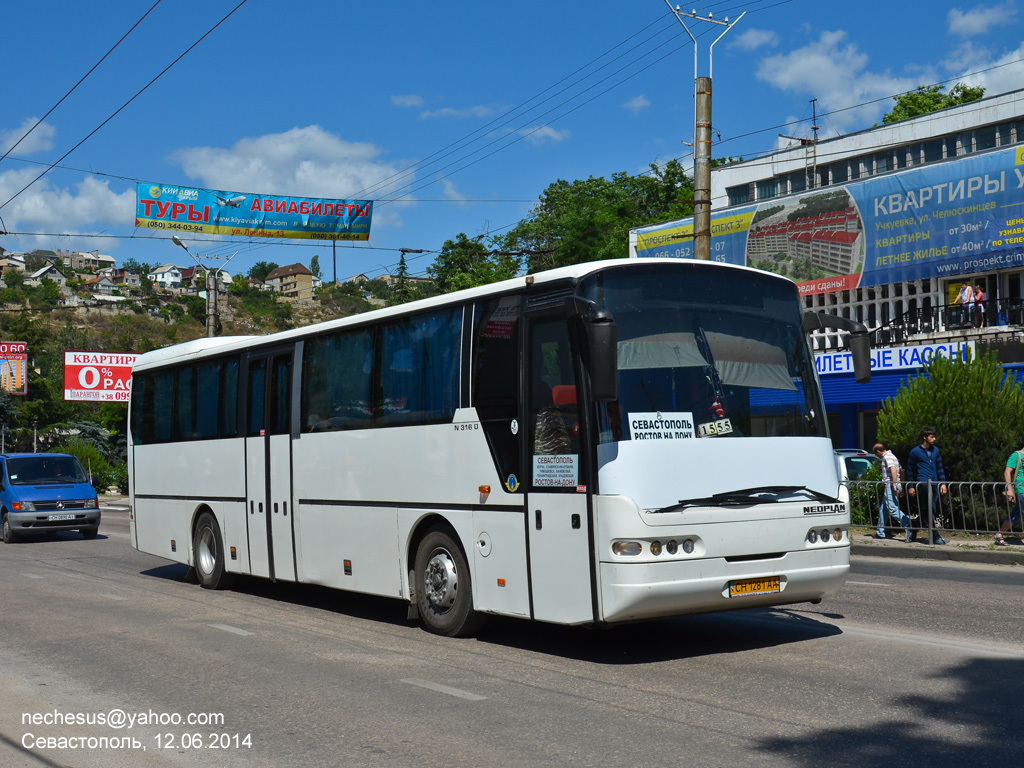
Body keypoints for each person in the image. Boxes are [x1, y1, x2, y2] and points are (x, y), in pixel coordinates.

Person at [906, 426, 949, 545]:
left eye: (934, 436)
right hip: (923, 483)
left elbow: (940, 467)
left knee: (931, 510)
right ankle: (936, 537)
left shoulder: (935, 450)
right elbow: (910, 470)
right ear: (924, 438)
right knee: (929, 510)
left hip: (934, 483)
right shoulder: (915, 452)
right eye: (932, 437)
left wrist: (943, 483)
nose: (934, 439)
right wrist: (911, 486)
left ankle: (913, 526)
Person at [873, 442, 911, 539]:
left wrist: (894, 483)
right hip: (894, 484)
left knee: (892, 508)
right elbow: (901, 471)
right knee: (883, 509)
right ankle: (880, 532)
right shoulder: (893, 456)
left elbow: (893, 469)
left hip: (890, 485)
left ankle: (909, 525)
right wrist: (900, 485)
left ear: (878, 451)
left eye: (876, 454)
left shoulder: (886, 457)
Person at [997, 445, 1024, 546]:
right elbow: (1007, 472)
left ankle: (999, 535)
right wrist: (1009, 489)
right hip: (1021, 489)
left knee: (1016, 514)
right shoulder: (1016, 455)